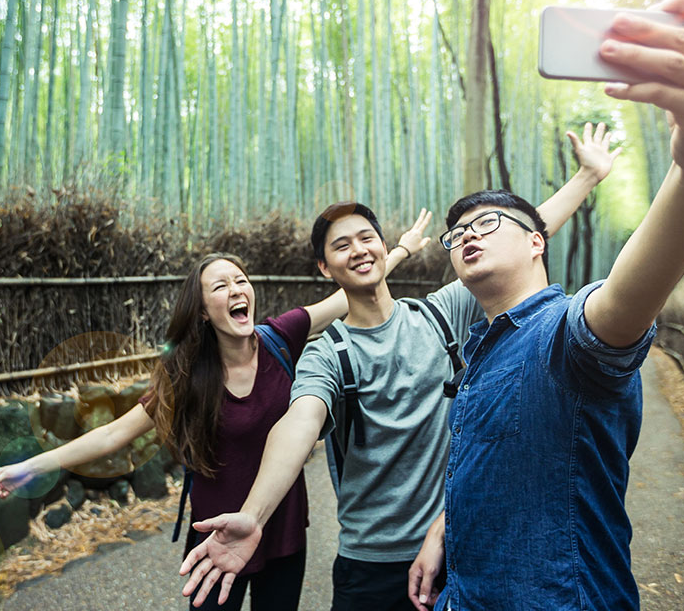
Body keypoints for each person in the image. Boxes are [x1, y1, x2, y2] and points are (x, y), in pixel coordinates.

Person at [177, 127, 620, 610]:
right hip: (370, 564)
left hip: (456, 548)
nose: (359, 249)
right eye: (341, 245)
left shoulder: (440, 313)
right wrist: (254, 515)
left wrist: (587, 177)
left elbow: (518, 237)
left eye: (367, 237)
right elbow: (298, 423)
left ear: (384, 249)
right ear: (325, 269)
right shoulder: (328, 353)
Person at [407, 0, 684, 611]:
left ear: (538, 241)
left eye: (487, 222)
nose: (467, 235)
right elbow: (494, 467)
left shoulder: (566, 332)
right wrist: (441, 533)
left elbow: (623, 302)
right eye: (455, 235)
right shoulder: (478, 349)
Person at [0, 218, 427, 611]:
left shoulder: (281, 337)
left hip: (282, 531)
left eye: (241, 281)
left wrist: (402, 249)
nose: (237, 290)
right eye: (220, 287)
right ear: (203, 310)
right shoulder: (185, 374)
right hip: (217, 538)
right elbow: (112, 435)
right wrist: (29, 468)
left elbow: (345, 291)